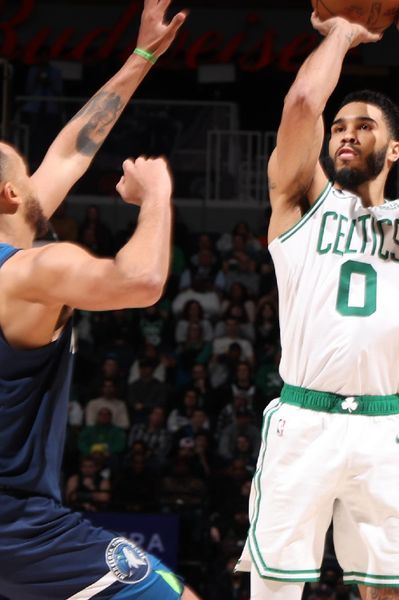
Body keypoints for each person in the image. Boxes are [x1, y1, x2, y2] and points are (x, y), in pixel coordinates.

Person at [236, 1, 399, 598]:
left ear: (396, 150)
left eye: (364, 126)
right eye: (341, 126)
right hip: (305, 417)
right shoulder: (298, 201)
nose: (346, 134)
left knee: (396, 593)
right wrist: (343, 34)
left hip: (383, 426)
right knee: (273, 592)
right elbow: (301, 106)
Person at [0, 2, 199, 597]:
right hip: (16, 525)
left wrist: (140, 57)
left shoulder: (18, 251)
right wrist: (159, 194)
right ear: (11, 192)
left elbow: (72, 151)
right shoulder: (34, 270)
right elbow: (140, 282)